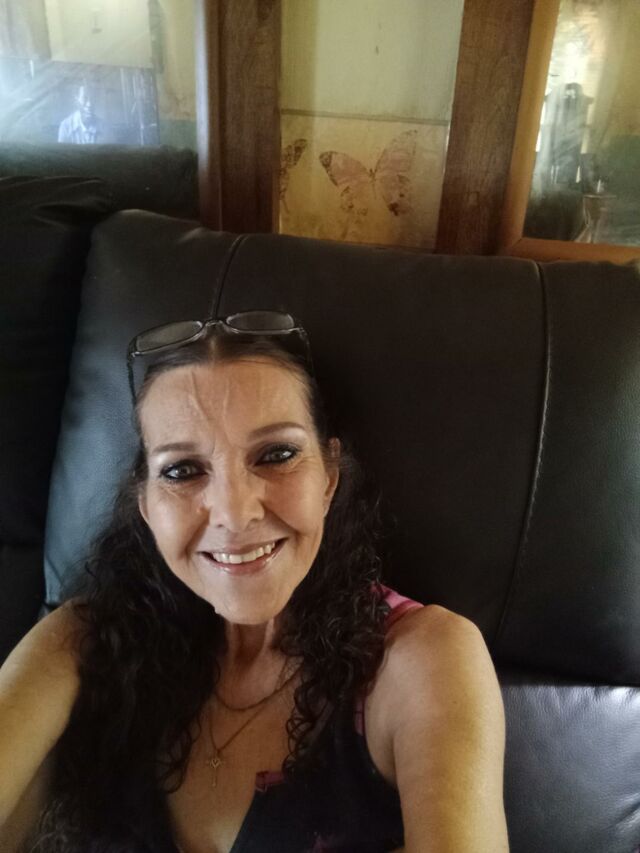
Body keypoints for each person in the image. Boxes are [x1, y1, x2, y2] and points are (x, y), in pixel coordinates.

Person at [0, 311, 509, 852]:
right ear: (146, 505)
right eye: (182, 470)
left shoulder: (422, 658)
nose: (234, 514)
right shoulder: (81, 642)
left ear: (328, 478)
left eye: (276, 455)